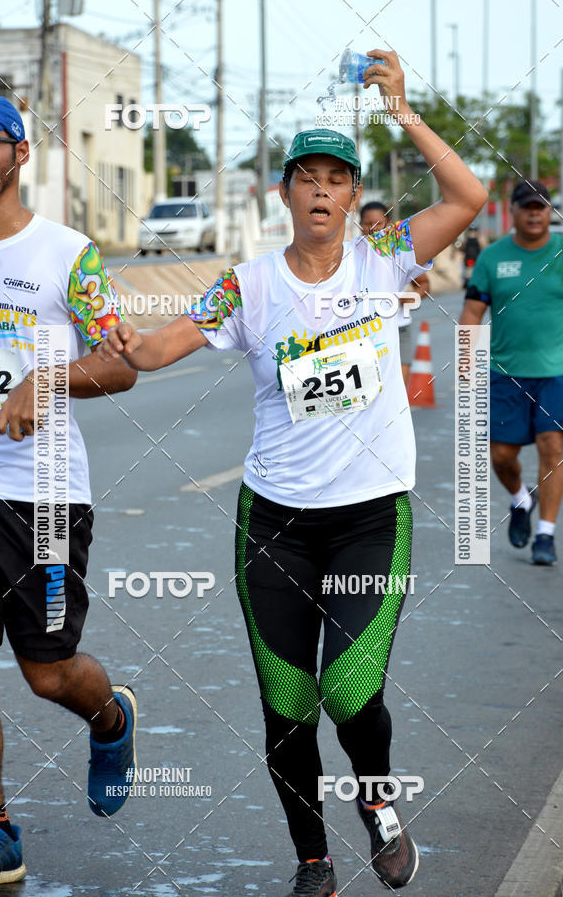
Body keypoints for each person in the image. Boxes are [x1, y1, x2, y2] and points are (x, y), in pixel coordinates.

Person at [100, 50, 487, 897]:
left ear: (352, 195)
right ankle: (312, 860)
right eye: (305, 177)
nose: (320, 191)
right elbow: (170, 344)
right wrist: (135, 345)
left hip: (367, 516)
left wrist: (403, 112)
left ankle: (379, 803)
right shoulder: (249, 286)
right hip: (273, 521)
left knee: (350, 689)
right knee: (287, 705)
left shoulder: (385, 258)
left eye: (335, 178)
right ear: (284, 194)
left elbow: (467, 198)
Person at [0, 93, 139, 891]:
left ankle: (110, 717)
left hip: (43, 496)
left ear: (20, 155)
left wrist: (47, 377)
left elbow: (121, 363)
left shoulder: (68, 255)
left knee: (47, 671)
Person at [459, 180, 563, 565]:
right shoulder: (492, 258)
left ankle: (545, 535)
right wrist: (467, 360)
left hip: (556, 373)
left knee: (553, 449)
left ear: (549, 211)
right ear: (514, 211)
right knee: (501, 455)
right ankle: (521, 498)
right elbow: (472, 311)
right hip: (506, 374)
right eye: (527, 207)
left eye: (541, 207)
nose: (535, 213)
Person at [359, 201, 431, 386]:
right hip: (364, 334)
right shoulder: (351, 254)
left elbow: (423, 285)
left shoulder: (399, 254)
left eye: (378, 224)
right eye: (367, 224)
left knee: (398, 387)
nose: (372, 229)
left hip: (399, 329)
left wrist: (405, 299)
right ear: (360, 225)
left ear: (389, 225)